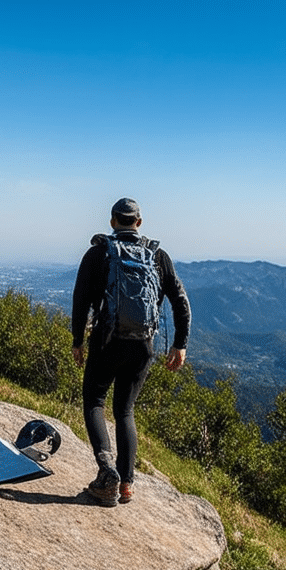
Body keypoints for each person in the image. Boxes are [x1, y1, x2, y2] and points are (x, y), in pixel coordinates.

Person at [70, 197, 191, 506]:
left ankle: (107, 472)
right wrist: (180, 344)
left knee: (95, 401)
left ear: (113, 221)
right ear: (139, 222)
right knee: (125, 410)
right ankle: (126, 485)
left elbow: (80, 300)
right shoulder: (158, 256)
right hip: (143, 345)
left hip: (106, 341)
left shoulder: (98, 253)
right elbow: (180, 301)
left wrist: (78, 340)